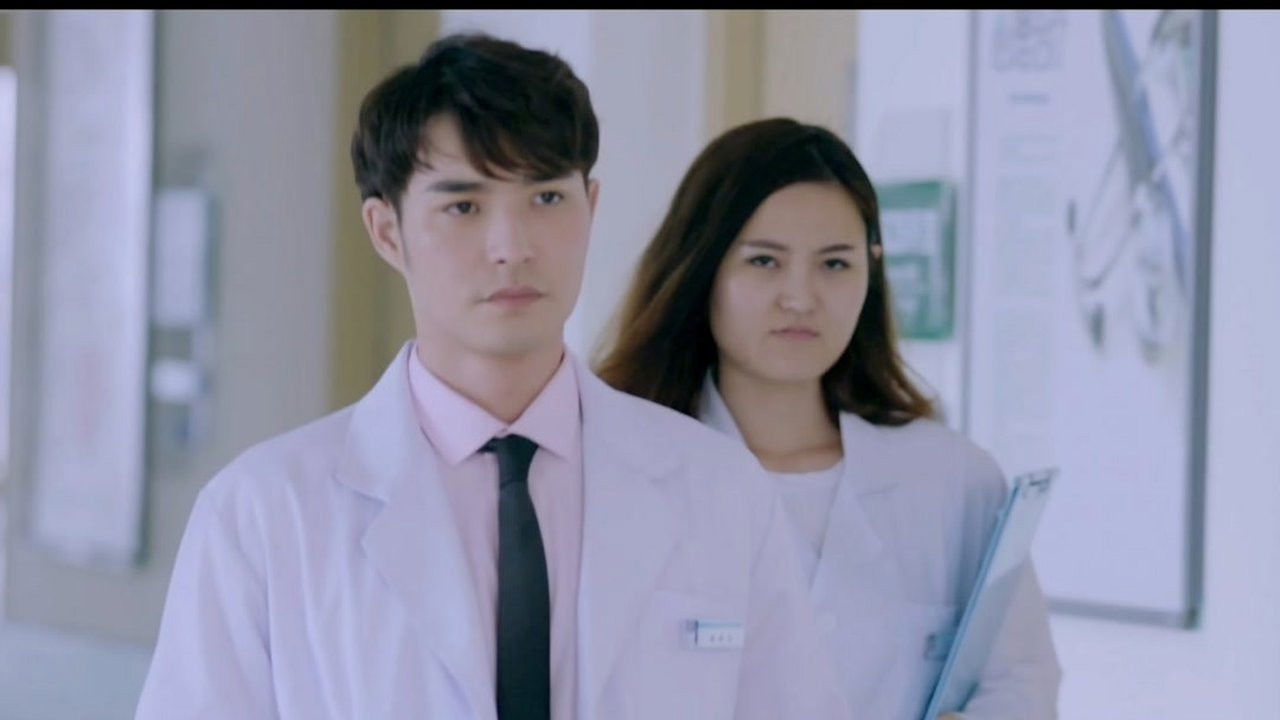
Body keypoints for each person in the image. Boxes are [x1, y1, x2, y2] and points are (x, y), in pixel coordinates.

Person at [135, 37, 850, 720]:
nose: (512, 247)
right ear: (387, 232)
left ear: (591, 207)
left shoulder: (719, 489)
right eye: (464, 206)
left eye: (547, 199)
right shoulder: (265, 513)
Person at [595, 117, 1061, 720]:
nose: (800, 298)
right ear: (702, 269)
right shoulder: (616, 477)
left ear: (871, 273)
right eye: (765, 261)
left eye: (835, 264)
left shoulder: (953, 480)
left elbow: (1021, 681)